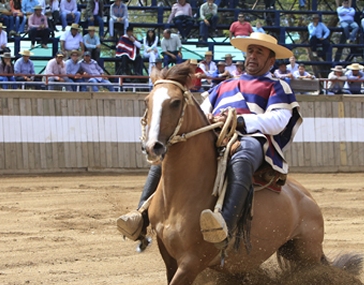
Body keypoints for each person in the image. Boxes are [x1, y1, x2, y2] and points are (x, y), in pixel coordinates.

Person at [117, 32, 302, 247]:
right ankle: (141, 216)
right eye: (250, 51)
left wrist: (240, 121)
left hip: (252, 138)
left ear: (271, 61)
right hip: (214, 134)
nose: (252, 56)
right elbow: (202, 113)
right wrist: (210, 121)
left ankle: (225, 224)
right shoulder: (223, 86)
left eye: (259, 52)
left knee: (242, 158)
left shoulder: (277, 86)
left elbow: (279, 119)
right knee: (169, 154)